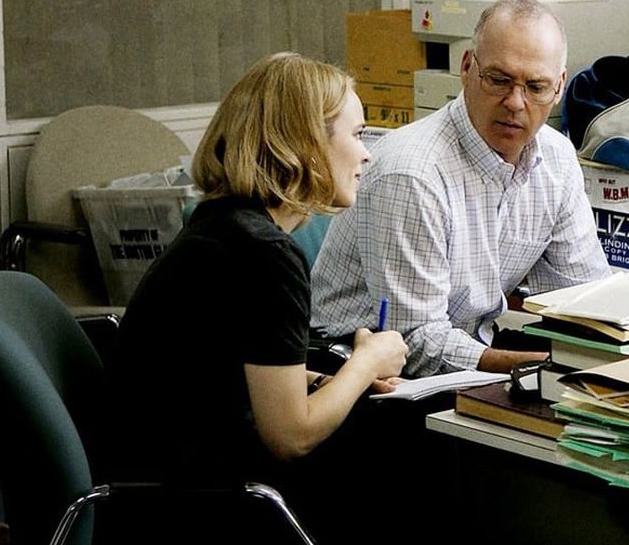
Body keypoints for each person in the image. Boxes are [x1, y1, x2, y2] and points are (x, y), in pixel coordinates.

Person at [105, 52, 408, 539]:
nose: (366, 154)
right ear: (308, 147)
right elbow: (291, 436)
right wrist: (366, 363)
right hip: (205, 503)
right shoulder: (266, 255)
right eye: (357, 135)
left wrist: (318, 378)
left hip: (155, 476)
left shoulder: (221, 223)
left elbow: (213, 366)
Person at [312, 0, 610, 378]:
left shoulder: (557, 159)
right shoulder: (412, 174)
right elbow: (416, 342)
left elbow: (584, 296)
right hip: (358, 372)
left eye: (536, 87)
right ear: (467, 67)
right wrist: (542, 368)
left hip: (464, 352)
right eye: (499, 80)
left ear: (559, 87)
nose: (515, 103)